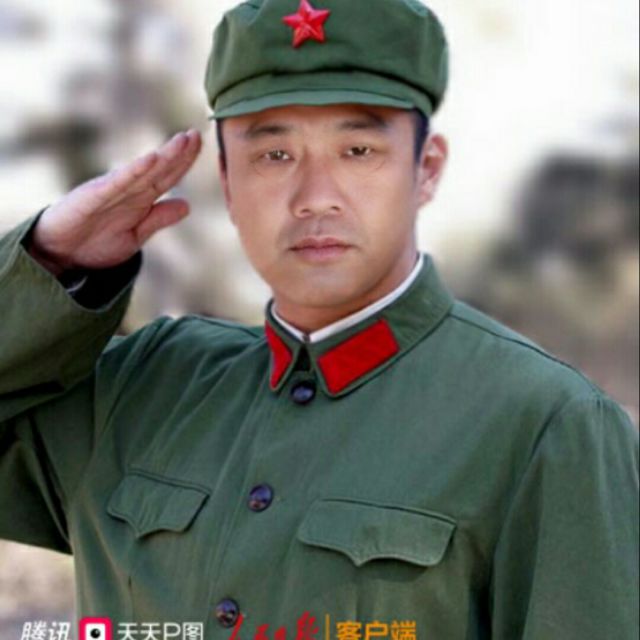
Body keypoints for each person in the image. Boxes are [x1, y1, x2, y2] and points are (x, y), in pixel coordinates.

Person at [1, 0, 638, 638]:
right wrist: (47, 259)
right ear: (227, 179)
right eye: (274, 155)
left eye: (358, 150)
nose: (315, 199)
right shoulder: (142, 389)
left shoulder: (546, 425)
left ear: (426, 170)